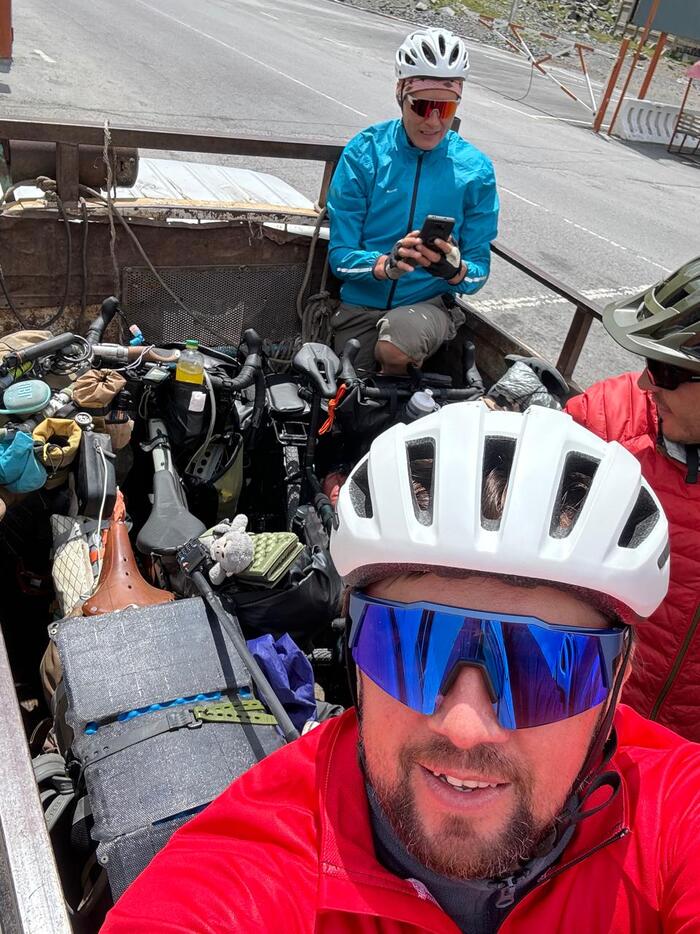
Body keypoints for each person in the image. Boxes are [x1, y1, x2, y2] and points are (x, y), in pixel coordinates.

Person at [101, 403, 700, 933]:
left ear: (618, 680)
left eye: (545, 668)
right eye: (411, 649)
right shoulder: (256, 860)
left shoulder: (676, 812)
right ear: (355, 656)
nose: (464, 727)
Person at [565, 255, 700, 742]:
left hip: (683, 760)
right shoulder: (608, 422)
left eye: (665, 369)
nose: (645, 383)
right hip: (588, 718)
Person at [327, 27, 499, 376]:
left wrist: (455, 270)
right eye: (422, 106)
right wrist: (385, 265)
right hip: (360, 305)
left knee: (397, 341)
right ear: (401, 94)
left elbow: (479, 270)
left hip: (426, 306)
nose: (433, 121)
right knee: (343, 388)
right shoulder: (365, 152)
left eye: (445, 107)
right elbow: (340, 257)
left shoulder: (476, 170)